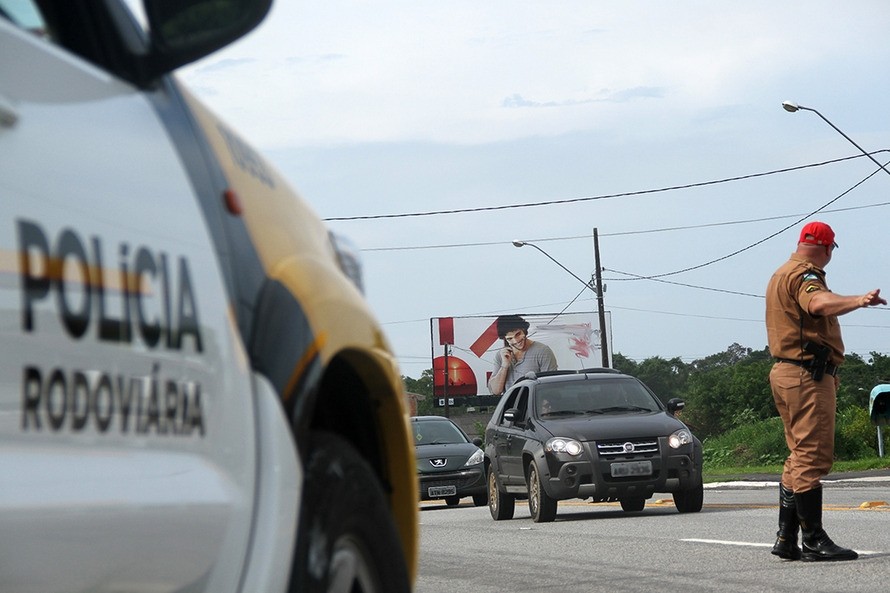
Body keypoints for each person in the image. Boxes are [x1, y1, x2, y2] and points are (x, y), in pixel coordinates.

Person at [765, 221, 886, 562]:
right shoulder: (806, 275)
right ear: (826, 247)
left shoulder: (780, 273)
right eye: (832, 249)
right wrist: (858, 300)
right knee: (812, 457)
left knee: (798, 455)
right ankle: (814, 539)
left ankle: (787, 537)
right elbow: (817, 304)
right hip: (806, 375)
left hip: (789, 373)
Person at [487, 315, 557, 395]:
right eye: (510, 338)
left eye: (518, 334)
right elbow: (496, 391)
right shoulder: (501, 355)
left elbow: (550, 387)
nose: (516, 340)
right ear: (505, 339)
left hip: (533, 404)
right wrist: (504, 366)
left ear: (524, 330)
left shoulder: (543, 351)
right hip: (510, 406)